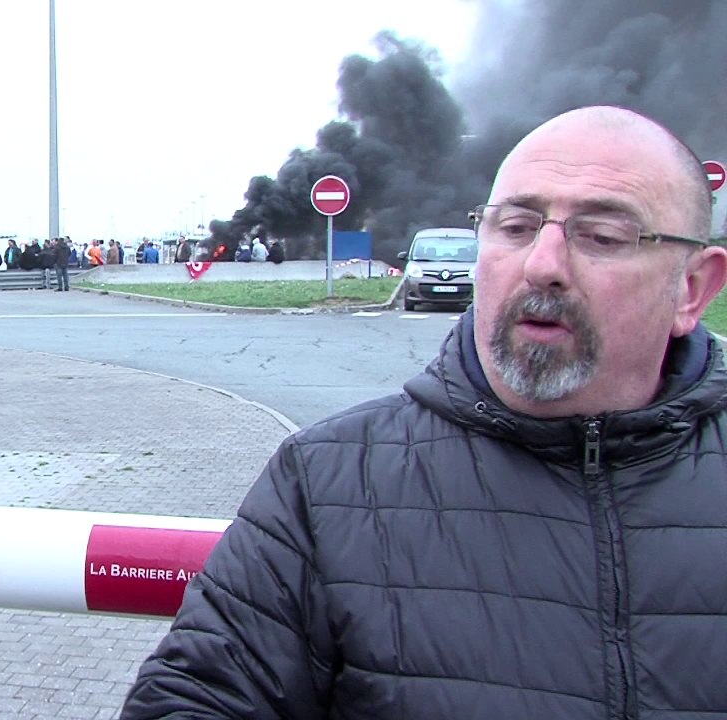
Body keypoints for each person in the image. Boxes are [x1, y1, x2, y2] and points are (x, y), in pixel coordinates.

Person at [122, 105, 727, 718]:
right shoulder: (328, 483)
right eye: (516, 226)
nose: (542, 265)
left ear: (693, 288)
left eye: (603, 237)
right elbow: (199, 695)